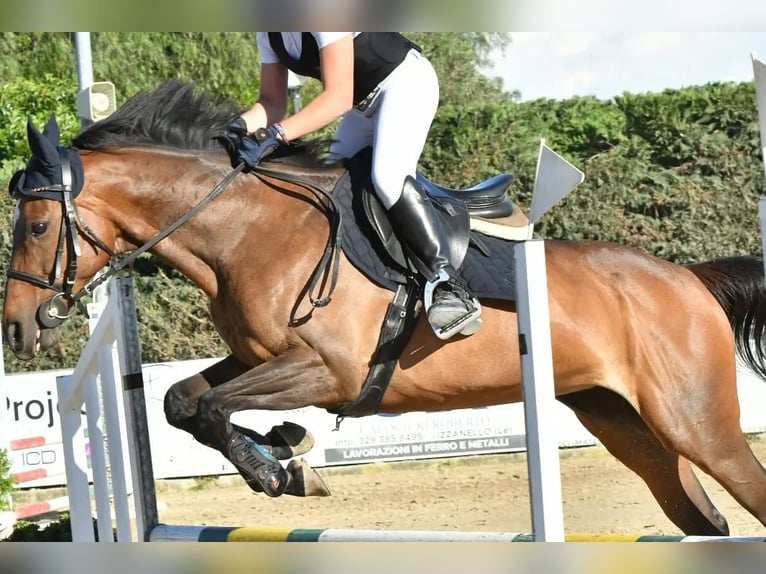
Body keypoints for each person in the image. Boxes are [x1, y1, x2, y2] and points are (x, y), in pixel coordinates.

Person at [225, 32, 481, 339]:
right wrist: (233, 128)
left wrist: (277, 134)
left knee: (387, 178)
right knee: (330, 189)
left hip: (405, 83)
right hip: (363, 108)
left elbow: (337, 98)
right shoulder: (268, 32)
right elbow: (272, 102)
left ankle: (447, 284)